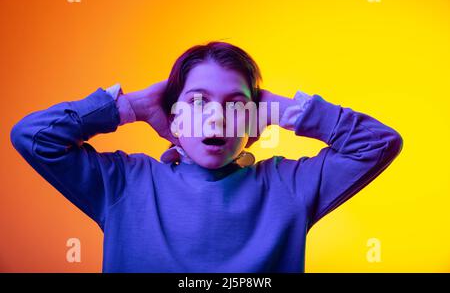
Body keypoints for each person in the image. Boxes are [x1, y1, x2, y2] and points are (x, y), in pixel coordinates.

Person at [10, 41, 403, 272]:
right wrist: (130, 106)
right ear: (173, 117)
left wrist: (286, 110)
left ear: (254, 121)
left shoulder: (289, 187)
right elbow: (32, 137)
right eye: (197, 102)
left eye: (236, 105)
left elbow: (378, 142)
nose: (216, 117)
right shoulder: (124, 184)